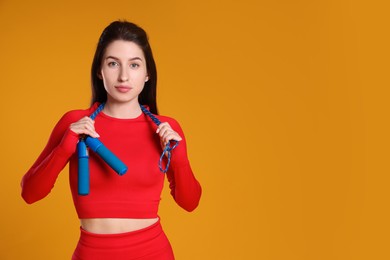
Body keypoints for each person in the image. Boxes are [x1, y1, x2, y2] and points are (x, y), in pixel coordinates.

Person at [21, 20, 202, 259]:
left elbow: (189, 203)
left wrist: (177, 158)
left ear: (147, 74)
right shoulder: (74, 122)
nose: (124, 76)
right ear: (100, 70)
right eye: (113, 63)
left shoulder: (164, 128)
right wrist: (64, 148)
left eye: (134, 65)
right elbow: (30, 193)